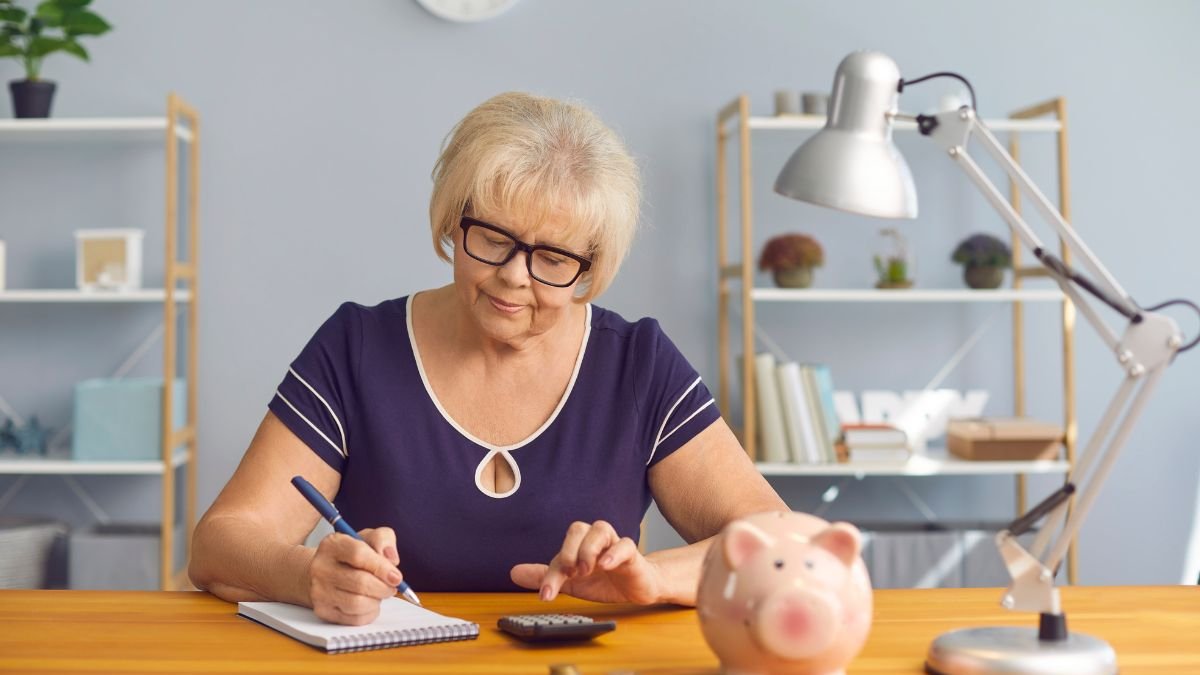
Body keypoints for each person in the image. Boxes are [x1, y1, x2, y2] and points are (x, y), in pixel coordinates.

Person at [189, 91, 787, 626]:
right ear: (453, 218)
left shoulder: (638, 364)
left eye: (553, 259)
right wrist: (306, 575)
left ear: (591, 264)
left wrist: (652, 579)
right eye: (493, 239)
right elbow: (218, 544)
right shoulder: (358, 347)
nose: (513, 278)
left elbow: (780, 540)